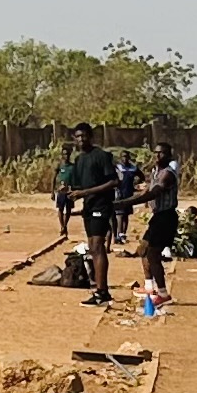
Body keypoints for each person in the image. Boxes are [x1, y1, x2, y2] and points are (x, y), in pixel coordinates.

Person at [64, 123, 119, 307]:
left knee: (97, 246)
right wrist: (69, 190)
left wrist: (85, 193)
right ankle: (99, 289)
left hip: (101, 205)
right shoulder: (79, 160)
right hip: (88, 206)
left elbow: (113, 182)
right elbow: (81, 185)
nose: (81, 140)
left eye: (84, 136)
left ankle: (102, 292)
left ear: (91, 136)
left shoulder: (101, 156)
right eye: (77, 137)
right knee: (92, 247)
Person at [136, 143, 180, 305]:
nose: (157, 156)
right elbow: (148, 191)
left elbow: (155, 192)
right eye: (155, 153)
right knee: (143, 249)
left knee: (153, 254)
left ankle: (163, 293)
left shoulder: (167, 174)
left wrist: (126, 203)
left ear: (168, 155)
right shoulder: (156, 172)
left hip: (165, 217)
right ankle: (149, 286)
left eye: (161, 154)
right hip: (157, 217)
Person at [112, 147, 140, 247]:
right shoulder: (117, 168)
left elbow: (141, 176)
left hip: (129, 194)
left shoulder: (133, 168)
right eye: (123, 157)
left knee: (126, 215)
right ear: (120, 158)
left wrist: (137, 183)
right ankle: (118, 234)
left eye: (126, 157)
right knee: (119, 215)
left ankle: (123, 233)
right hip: (119, 194)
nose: (125, 159)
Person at [52, 147, 76, 238]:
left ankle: (65, 225)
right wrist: (52, 191)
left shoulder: (72, 167)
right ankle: (62, 226)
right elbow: (54, 178)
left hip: (69, 191)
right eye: (64, 154)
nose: (66, 156)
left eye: (67, 154)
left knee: (69, 209)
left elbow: (75, 179)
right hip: (61, 191)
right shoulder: (59, 165)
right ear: (62, 155)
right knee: (60, 209)